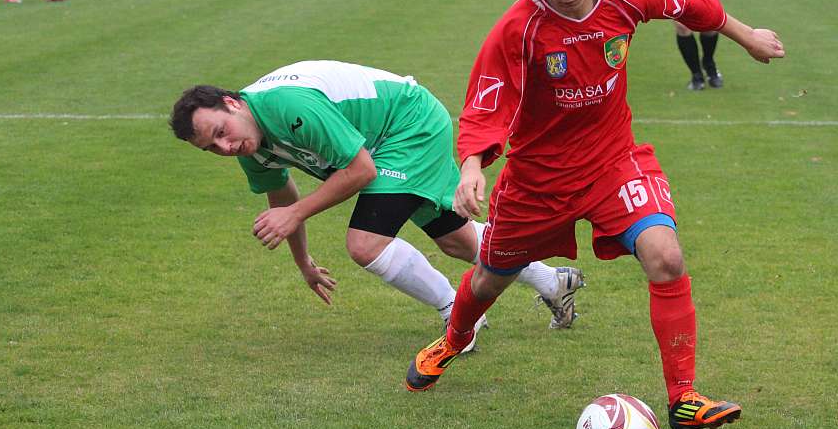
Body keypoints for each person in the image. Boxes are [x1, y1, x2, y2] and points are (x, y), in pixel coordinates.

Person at [405, 0, 785, 429]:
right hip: (538, 180)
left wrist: (746, 36)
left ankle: (685, 398)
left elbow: (689, 1)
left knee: (666, 256)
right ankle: (453, 338)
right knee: (493, 277)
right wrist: (471, 166)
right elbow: (485, 104)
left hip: (613, 160)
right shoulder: (519, 29)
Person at [169, 60, 586, 347]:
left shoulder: (286, 106)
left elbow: (360, 171)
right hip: (388, 144)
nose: (226, 146)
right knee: (456, 242)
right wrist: (304, 263)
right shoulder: (250, 146)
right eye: (212, 147)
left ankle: (460, 317)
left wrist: (295, 214)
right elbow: (283, 197)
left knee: (364, 243)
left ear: (232, 103)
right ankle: (554, 282)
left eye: (222, 131)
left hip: (408, 126)